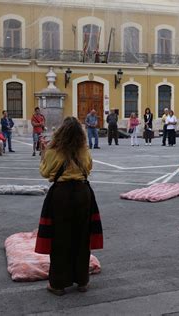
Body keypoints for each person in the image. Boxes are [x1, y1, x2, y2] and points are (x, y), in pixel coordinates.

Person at [38, 116, 103, 296]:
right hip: (83, 193)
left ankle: (58, 284)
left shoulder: (53, 151)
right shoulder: (84, 150)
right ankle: (82, 281)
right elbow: (88, 168)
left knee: (60, 238)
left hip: (61, 195)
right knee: (82, 237)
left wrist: (44, 154)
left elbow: (45, 172)